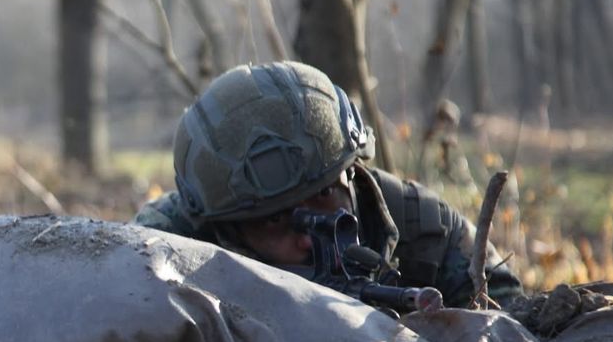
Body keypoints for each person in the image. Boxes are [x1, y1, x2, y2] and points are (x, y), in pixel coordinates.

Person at [135, 61, 524, 307]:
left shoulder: (424, 228)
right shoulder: (166, 246)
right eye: (276, 220)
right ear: (226, 228)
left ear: (352, 174)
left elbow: (515, 328)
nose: (310, 237)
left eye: (323, 195)